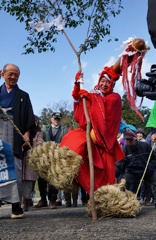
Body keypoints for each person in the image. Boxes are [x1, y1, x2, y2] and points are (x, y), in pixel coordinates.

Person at [60, 65, 125, 194]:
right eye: (102, 81)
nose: (104, 84)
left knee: (107, 176)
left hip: (105, 145)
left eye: (108, 82)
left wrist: (91, 98)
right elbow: (79, 104)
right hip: (90, 139)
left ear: (112, 84)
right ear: (98, 81)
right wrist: (78, 86)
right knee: (73, 140)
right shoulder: (94, 95)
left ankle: (108, 199)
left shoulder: (115, 98)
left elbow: (106, 114)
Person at [0, 64, 35, 218]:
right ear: (2, 74)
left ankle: (16, 206)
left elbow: (28, 117)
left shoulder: (23, 96)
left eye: (16, 75)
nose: (13, 77)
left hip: (15, 134)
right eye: (10, 74)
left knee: (15, 168)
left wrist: (26, 135)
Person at [34, 112, 68, 209]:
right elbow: (40, 138)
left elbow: (65, 141)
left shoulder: (64, 130)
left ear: (60, 120)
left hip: (57, 156)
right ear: (51, 119)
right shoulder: (44, 128)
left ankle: (52, 201)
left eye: (58, 119)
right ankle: (43, 199)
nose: (56, 120)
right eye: (55, 119)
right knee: (41, 179)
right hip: (44, 156)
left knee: (54, 179)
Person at [116, 130, 156, 206]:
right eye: (127, 140)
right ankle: (131, 199)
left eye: (130, 140)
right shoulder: (125, 149)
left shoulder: (145, 145)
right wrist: (115, 174)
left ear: (135, 139)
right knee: (124, 181)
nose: (128, 142)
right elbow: (120, 164)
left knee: (153, 178)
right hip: (132, 172)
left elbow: (153, 158)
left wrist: (150, 167)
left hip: (146, 169)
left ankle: (148, 199)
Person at [22, 115, 44, 211]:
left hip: (31, 159)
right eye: (33, 120)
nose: (35, 122)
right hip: (21, 157)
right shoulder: (21, 129)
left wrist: (33, 147)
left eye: (36, 120)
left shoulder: (38, 132)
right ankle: (17, 202)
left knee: (28, 182)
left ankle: (26, 202)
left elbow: (40, 143)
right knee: (18, 181)